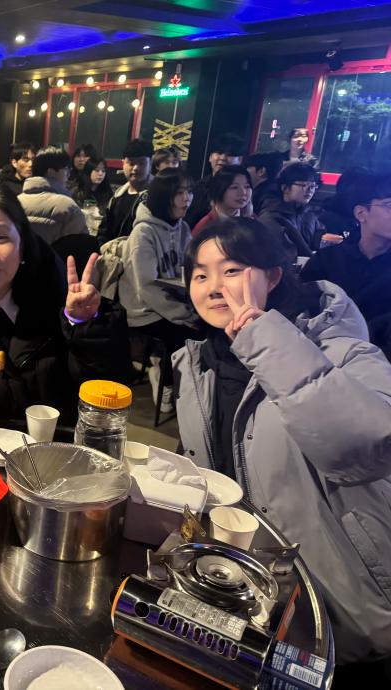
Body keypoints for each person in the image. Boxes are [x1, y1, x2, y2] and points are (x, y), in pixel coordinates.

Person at [176, 216, 391, 664]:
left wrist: (263, 337)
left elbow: (365, 447)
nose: (214, 287)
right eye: (200, 275)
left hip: (350, 612)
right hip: (262, 604)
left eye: (232, 270)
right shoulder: (198, 365)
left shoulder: (341, 350)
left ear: (273, 276)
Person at [0, 183, 129, 434]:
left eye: (1, 238)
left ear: (23, 247)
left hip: (54, 448)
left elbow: (102, 395)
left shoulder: (57, 303)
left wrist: (84, 326)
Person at [118, 168, 202, 411]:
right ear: (164, 197)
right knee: (183, 332)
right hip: (142, 309)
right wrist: (183, 314)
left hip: (172, 301)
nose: (187, 198)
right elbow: (146, 287)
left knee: (206, 326)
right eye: (179, 193)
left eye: (189, 192)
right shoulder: (143, 233)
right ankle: (165, 381)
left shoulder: (182, 228)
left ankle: (192, 384)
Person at [302, 173, 391, 360]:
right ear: (361, 213)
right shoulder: (327, 261)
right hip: (324, 357)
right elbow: (302, 315)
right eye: (389, 205)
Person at [17, 146, 86, 246]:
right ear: (51, 172)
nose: (68, 175)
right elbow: (81, 245)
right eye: (66, 169)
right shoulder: (68, 206)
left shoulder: (16, 201)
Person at [257, 162, 327, 260]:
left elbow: (320, 235)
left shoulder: (308, 214)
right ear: (285, 188)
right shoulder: (272, 217)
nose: (310, 190)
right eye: (303, 185)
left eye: (313, 186)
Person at [99, 138, 153, 245]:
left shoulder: (155, 197)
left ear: (150, 163)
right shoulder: (118, 196)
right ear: (123, 163)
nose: (135, 168)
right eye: (131, 163)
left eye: (142, 163)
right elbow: (104, 231)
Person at [184, 132, 245, 228]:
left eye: (230, 154)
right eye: (219, 153)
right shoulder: (199, 188)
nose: (223, 158)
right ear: (210, 157)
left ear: (240, 160)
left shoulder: (245, 190)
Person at [190, 164, 254, 236]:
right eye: (234, 187)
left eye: (247, 186)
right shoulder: (205, 227)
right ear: (219, 190)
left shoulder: (252, 220)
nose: (243, 192)